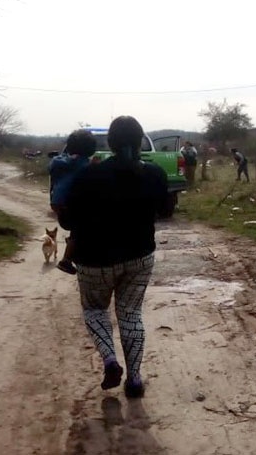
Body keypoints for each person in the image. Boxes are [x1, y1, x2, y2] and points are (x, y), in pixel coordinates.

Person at [59, 116, 168, 399]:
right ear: (139, 140)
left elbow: (68, 221)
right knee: (131, 314)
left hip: (95, 260)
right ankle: (134, 380)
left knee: (95, 311)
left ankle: (109, 360)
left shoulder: (88, 175)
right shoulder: (154, 173)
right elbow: (166, 210)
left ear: (110, 143)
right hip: (140, 256)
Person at [49, 129, 98, 275]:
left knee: (76, 229)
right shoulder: (82, 164)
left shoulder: (59, 162)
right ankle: (66, 260)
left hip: (58, 203)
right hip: (70, 204)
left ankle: (70, 249)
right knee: (80, 228)